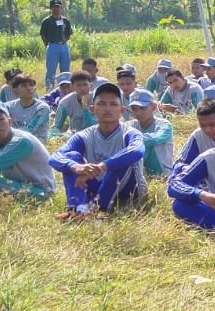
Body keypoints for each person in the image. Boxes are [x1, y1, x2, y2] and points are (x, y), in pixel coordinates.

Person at [47, 82, 148, 219]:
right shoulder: (85, 135)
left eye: (113, 104)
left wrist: (102, 166)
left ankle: (97, 210)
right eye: (101, 104)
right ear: (92, 109)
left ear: (122, 110)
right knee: (71, 156)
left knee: (121, 162)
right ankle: (78, 208)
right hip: (96, 184)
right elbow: (55, 157)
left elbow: (137, 151)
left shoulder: (131, 133)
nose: (107, 109)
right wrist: (76, 167)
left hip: (127, 189)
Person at [128, 90, 175, 176]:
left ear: (153, 106)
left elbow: (156, 138)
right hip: (138, 176)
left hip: (162, 175)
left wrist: (133, 140)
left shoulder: (164, 125)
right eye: (134, 109)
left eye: (143, 108)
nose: (138, 113)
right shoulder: (129, 125)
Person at [2, 74, 52, 139]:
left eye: (31, 85)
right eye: (24, 86)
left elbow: (29, 130)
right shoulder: (8, 106)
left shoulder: (42, 108)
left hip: (35, 144)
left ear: (35, 89)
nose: (29, 88)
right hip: (12, 141)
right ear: (15, 89)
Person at [51, 71, 96, 137]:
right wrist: (58, 136)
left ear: (90, 85)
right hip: (74, 135)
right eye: (78, 85)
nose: (82, 88)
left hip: (94, 135)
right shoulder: (65, 102)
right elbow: (57, 126)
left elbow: (93, 127)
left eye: (85, 84)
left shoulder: (97, 100)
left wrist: (85, 107)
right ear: (72, 87)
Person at [40, 0, 73, 83]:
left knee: (65, 70)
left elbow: (69, 34)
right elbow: (43, 35)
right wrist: (48, 45)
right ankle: (49, 88)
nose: (56, 9)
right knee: (51, 69)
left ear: (61, 8)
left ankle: (65, 88)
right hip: (52, 46)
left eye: (58, 7)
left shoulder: (66, 21)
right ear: (51, 8)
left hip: (64, 46)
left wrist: (63, 42)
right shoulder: (46, 21)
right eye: (54, 7)